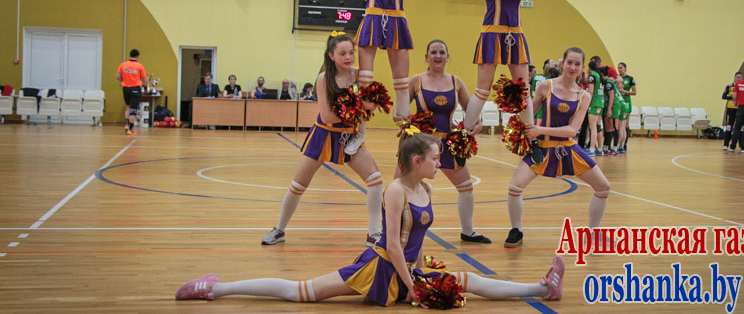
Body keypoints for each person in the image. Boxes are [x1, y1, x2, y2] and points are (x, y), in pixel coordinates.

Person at [177, 132, 565, 306]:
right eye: (435, 158)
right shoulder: (396, 190)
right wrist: (412, 287)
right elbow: (393, 244)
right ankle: (216, 288)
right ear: (417, 161)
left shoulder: (425, 190)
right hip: (380, 268)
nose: (440, 163)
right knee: (301, 292)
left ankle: (542, 288)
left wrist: (418, 273)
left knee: (471, 281)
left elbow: (415, 243)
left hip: (408, 270)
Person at [292, 0, 454, 156]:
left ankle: (408, 140)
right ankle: (359, 133)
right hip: (372, 21)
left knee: (402, 86)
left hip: (397, 22)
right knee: (365, 86)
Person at [457, 0, 575, 141]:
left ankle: (530, 140)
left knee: (523, 90)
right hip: (492, 36)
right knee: (483, 89)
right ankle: (464, 136)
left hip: (516, 37)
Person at [261, 33, 383, 247]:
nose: (348, 57)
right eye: (342, 53)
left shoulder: (359, 75)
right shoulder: (323, 78)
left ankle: (374, 233)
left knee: (375, 180)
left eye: (351, 52)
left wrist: (365, 105)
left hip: (350, 136)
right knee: (298, 185)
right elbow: (327, 116)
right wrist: (359, 107)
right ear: (331, 55)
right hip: (324, 135)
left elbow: (372, 106)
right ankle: (279, 229)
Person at [505, 47, 611, 248]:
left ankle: (593, 232)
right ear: (562, 63)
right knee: (514, 187)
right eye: (569, 62)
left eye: (577, 64)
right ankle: (516, 230)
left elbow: (572, 130)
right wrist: (516, 103)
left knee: (604, 187)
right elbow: (528, 112)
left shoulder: (584, 96)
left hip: (568, 149)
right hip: (542, 148)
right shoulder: (546, 86)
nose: (572, 67)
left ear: (582, 67)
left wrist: (539, 129)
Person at [406, 40, 489, 243]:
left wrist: (478, 123)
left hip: (448, 144)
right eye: (433, 52)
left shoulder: (456, 82)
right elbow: (399, 112)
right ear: (426, 57)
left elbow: (472, 110)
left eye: (441, 52)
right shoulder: (416, 81)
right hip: (420, 145)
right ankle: (395, 229)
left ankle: (468, 231)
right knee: (401, 186)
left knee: (466, 187)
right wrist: (406, 124)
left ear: (447, 57)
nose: (437, 56)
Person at [115, 48, 146, 135]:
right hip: (135, 88)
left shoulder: (123, 65)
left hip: (125, 89)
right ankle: (130, 129)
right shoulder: (139, 66)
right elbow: (144, 79)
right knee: (133, 109)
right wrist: (146, 87)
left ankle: (126, 124)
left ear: (130, 55)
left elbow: (117, 76)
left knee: (128, 106)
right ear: (138, 56)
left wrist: (124, 81)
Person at [585, 61, 604, 156]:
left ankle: (592, 149)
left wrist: (587, 103)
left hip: (594, 103)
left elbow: (591, 91)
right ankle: (600, 149)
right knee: (598, 127)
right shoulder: (599, 75)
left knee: (592, 127)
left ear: (589, 68)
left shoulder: (592, 76)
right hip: (601, 103)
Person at [617, 62, 636, 151]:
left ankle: (624, 145)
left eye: (621, 68)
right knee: (619, 125)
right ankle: (618, 144)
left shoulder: (630, 78)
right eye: (618, 68)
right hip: (618, 103)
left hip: (627, 103)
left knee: (625, 125)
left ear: (625, 68)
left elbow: (634, 92)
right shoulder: (617, 78)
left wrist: (623, 91)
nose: (619, 69)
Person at [721, 72, 742, 150]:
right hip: (730, 109)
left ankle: (741, 145)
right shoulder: (729, 86)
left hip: (739, 109)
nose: (739, 79)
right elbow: (723, 96)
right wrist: (732, 97)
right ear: (734, 77)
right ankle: (726, 144)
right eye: (737, 77)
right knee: (729, 127)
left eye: (740, 77)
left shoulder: (742, 87)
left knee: (739, 127)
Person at [601, 67, 617, 156]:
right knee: (607, 128)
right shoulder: (605, 82)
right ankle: (606, 147)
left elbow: (612, 96)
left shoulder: (608, 83)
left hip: (611, 107)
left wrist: (609, 109)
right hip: (607, 106)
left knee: (610, 128)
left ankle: (608, 148)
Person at [614, 76, 629, 154]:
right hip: (625, 105)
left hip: (622, 106)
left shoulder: (614, 86)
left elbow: (619, 79)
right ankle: (621, 146)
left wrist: (615, 79)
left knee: (620, 128)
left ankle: (617, 146)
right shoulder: (617, 89)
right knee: (623, 128)